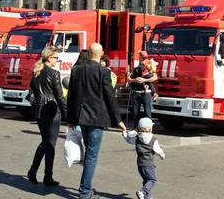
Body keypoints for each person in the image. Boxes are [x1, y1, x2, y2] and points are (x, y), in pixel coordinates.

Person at [67, 43, 127, 199]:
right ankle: (85, 192)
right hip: (97, 118)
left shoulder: (76, 70)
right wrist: (118, 120)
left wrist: (71, 118)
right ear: (101, 54)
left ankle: (86, 189)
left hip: (81, 117)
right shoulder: (103, 71)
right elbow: (109, 97)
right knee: (92, 155)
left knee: (89, 154)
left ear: (88, 53)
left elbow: (71, 95)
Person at [27, 46, 67, 187]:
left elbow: (32, 92)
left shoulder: (36, 71)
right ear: (49, 58)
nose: (57, 60)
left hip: (39, 110)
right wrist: (67, 115)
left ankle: (33, 171)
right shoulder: (53, 73)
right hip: (51, 110)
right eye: (56, 58)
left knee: (45, 142)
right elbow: (60, 96)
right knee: (50, 144)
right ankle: (47, 177)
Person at [122, 117, 166, 199]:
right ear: (150, 129)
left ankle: (147, 196)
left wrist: (124, 133)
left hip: (140, 164)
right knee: (152, 180)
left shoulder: (137, 138)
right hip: (149, 164)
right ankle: (142, 192)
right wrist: (162, 156)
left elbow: (128, 139)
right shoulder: (153, 140)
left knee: (146, 180)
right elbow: (158, 150)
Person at [128, 51, 158, 128]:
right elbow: (128, 78)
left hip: (146, 94)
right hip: (136, 93)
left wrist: (144, 80)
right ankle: (136, 128)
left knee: (147, 112)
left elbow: (155, 77)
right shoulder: (137, 68)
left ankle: (148, 129)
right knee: (135, 113)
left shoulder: (149, 66)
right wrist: (135, 80)